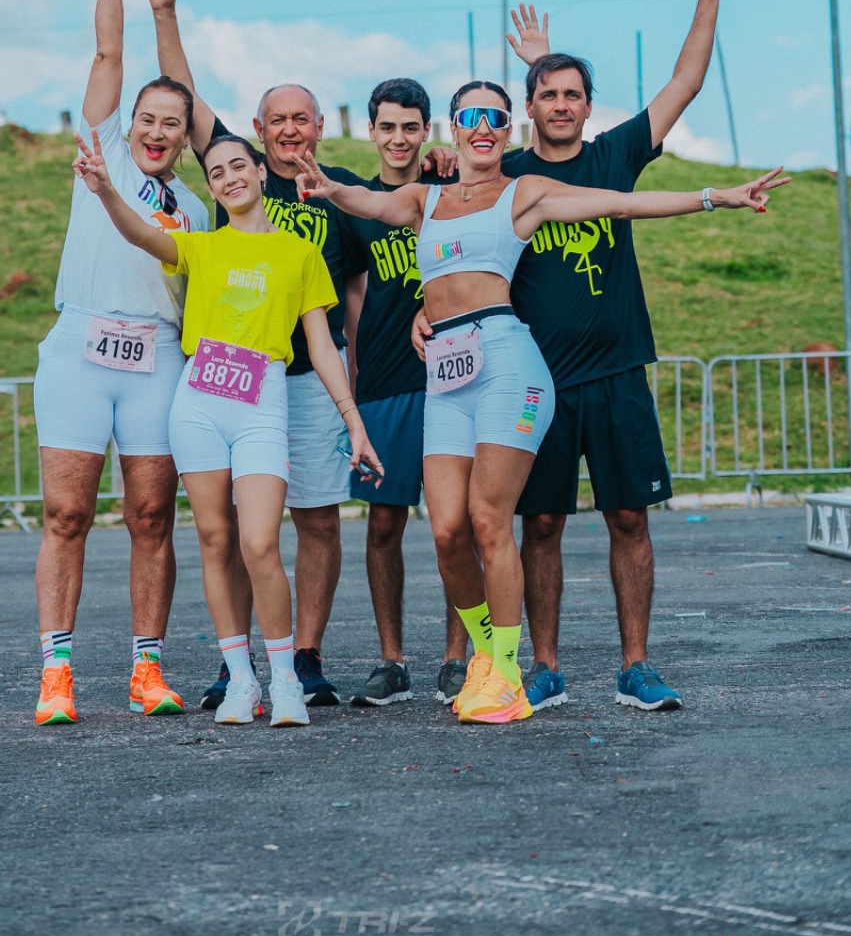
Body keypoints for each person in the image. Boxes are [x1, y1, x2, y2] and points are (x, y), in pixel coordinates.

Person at [299, 79, 787, 725]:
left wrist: (714, 196)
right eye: (472, 115)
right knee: (445, 530)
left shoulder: (522, 193)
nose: (484, 126)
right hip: (446, 371)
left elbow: (617, 203)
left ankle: (503, 670)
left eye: (496, 117)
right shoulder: (427, 195)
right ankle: (485, 657)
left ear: (510, 129)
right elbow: (373, 203)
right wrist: (331, 189)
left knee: (488, 521)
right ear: (453, 127)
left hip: (506, 363)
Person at [73, 127, 384, 726]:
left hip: (262, 400)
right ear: (212, 188)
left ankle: (285, 678)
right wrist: (108, 192)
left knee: (259, 543)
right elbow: (140, 233)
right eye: (216, 173)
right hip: (198, 404)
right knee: (215, 541)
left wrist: (354, 420)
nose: (229, 178)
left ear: (262, 173)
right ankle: (241, 679)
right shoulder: (203, 246)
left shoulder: (299, 252)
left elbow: (322, 347)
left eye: (239, 166)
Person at [502, 0, 730, 713]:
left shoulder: (613, 157)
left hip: (618, 372)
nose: (560, 105)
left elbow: (685, 82)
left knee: (629, 516)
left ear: (587, 107)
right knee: (540, 526)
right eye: (547, 93)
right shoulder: (505, 174)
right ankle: (546, 667)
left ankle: (637, 665)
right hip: (537, 383)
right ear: (528, 104)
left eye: (572, 95)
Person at [144, 0, 366, 707]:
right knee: (233, 530)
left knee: (315, 524)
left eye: (302, 117)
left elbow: (362, 287)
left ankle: (300, 656)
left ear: (318, 125)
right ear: (255, 131)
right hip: (228, 381)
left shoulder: (345, 193)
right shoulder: (234, 178)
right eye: (277, 120)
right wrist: (167, 11)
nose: (290, 129)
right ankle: (233, 662)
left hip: (305, 383)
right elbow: (187, 96)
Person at [32, 0, 209, 728]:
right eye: (147, 118)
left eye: (172, 124)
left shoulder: (202, 212)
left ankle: (147, 670)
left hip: (157, 361)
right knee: (66, 513)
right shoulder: (97, 151)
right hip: (80, 350)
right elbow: (109, 50)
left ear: (183, 137)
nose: (156, 131)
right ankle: (56, 673)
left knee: (150, 516)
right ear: (127, 122)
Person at [346, 79, 469, 709]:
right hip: (386, 385)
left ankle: (457, 656)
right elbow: (351, 301)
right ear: (372, 131)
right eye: (388, 126)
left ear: (427, 132)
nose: (399, 138)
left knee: (455, 525)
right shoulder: (358, 204)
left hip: (454, 379)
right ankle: (391, 659)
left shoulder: (448, 192)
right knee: (385, 523)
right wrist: (354, 390)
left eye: (410, 127)